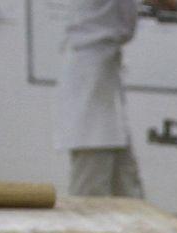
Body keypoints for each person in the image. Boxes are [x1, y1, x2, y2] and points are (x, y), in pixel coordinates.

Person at [56, 0, 144, 198]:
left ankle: (131, 225)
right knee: (91, 186)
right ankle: (81, 227)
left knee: (127, 186)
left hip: (102, 67)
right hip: (91, 68)